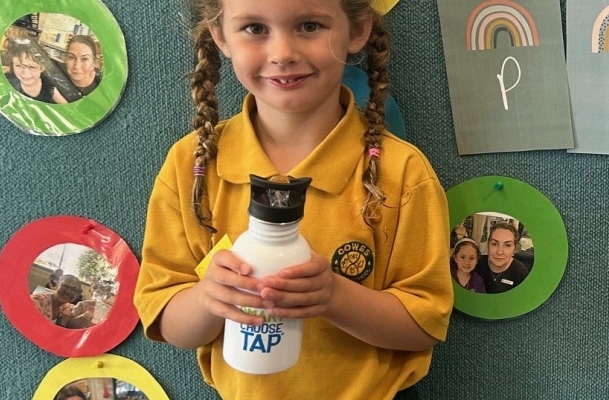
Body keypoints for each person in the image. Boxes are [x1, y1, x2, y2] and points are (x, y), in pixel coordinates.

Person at [132, 0, 454, 398]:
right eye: (254, 28)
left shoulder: (401, 172)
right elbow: (168, 323)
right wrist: (207, 299)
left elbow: (425, 326)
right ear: (219, 35)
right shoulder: (192, 165)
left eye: (309, 26)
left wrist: (334, 296)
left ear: (357, 30)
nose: (282, 53)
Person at [478, 222, 530, 293]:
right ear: (488, 246)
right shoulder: (476, 264)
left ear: (514, 249)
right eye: (494, 244)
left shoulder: (520, 273)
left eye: (507, 245)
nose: (499, 252)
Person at [50, 35, 102, 103]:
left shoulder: (103, 86)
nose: (77, 66)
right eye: (71, 57)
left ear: (94, 63)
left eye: (84, 59)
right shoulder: (56, 74)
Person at [31, 274, 96, 329]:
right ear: (56, 286)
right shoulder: (38, 301)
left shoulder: (66, 306)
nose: (68, 291)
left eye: (74, 290)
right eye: (65, 286)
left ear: (78, 294)